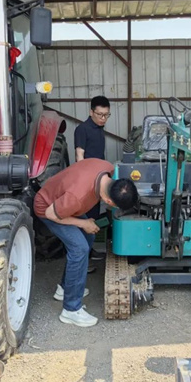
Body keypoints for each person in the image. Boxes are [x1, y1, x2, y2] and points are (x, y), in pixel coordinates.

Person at [33, 158, 138, 328]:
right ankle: (71, 310)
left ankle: (65, 288)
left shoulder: (107, 168)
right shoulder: (78, 197)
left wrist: (85, 224)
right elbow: (51, 214)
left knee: (88, 238)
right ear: (109, 202)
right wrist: (83, 223)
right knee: (79, 248)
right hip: (48, 207)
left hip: (64, 201)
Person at [75, 96, 111, 264]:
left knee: (94, 215)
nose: (103, 118)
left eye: (106, 115)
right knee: (86, 217)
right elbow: (79, 155)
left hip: (98, 179)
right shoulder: (82, 129)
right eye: (100, 114)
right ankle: (83, 256)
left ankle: (89, 250)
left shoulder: (99, 129)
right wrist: (83, 180)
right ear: (91, 112)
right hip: (87, 180)